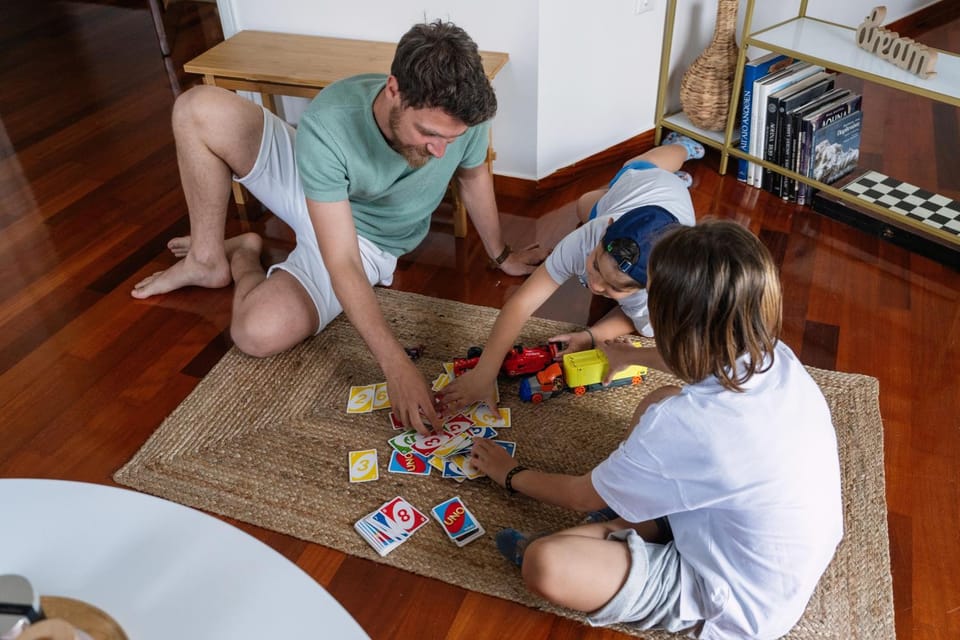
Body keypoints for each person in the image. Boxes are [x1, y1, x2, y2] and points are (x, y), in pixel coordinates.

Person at [130, 21, 545, 434]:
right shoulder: (329, 119)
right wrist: (396, 365)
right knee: (195, 107)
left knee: (255, 333)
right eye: (429, 134)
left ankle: (242, 256)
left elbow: (473, 177)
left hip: (368, 238)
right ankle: (206, 259)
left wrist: (501, 254)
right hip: (315, 178)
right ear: (394, 89)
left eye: (451, 140)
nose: (441, 151)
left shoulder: (461, 119)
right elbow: (339, 260)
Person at [468, 220, 843, 639]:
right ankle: (627, 523)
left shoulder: (693, 425)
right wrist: (631, 355)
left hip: (735, 598)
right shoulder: (773, 355)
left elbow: (578, 493)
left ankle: (620, 528)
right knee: (659, 397)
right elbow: (700, 361)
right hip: (775, 552)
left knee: (546, 561)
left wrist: (509, 474)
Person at [437, 135, 701, 414]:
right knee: (622, 176)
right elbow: (521, 304)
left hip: (659, 196)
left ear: (645, 289)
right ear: (604, 231)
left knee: (599, 198)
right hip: (641, 181)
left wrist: (591, 335)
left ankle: (679, 160)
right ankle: (681, 147)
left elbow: (636, 321)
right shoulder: (588, 235)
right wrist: (484, 373)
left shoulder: (656, 295)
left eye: (614, 288)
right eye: (596, 266)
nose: (595, 285)